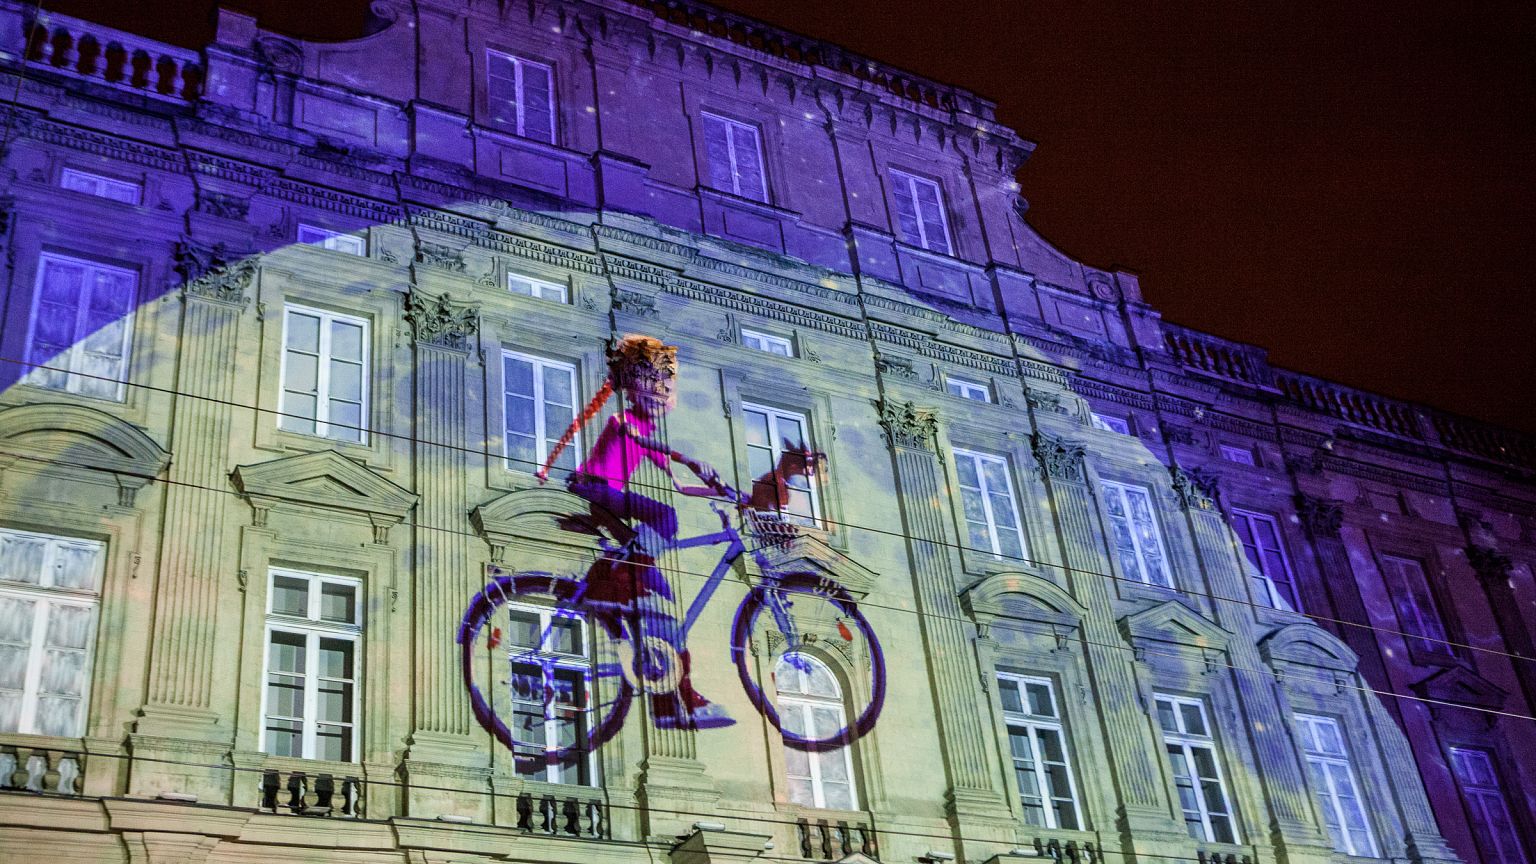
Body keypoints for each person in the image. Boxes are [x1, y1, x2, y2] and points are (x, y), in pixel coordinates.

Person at [537, 334, 733, 730]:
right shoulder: (623, 421)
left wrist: (728, 491)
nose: (662, 394)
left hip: (610, 497)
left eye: (666, 387)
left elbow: (679, 484)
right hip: (593, 488)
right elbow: (640, 442)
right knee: (664, 517)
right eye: (655, 385)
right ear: (634, 388)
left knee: (662, 606)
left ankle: (672, 704)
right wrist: (691, 458)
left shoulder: (649, 435)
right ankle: (622, 569)